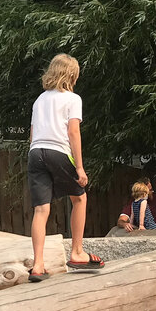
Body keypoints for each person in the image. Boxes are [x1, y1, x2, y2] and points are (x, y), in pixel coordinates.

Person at [27, 53, 105, 281]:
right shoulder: (72, 99)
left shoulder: (39, 99)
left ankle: (38, 265)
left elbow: (32, 133)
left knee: (41, 210)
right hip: (57, 151)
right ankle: (77, 252)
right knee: (79, 198)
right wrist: (79, 168)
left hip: (35, 152)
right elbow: (73, 132)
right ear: (71, 75)